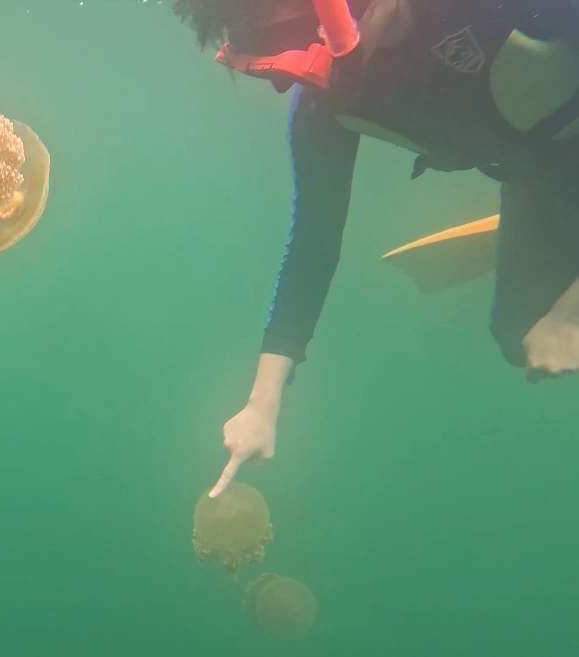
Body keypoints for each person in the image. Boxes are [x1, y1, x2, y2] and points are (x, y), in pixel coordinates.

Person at [168, 0, 579, 497]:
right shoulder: (327, 104)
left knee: (563, 328)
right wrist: (261, 407)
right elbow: (313, 244)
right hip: (541, 176)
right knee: (522, 337)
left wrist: (569, 309)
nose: (291, 76)